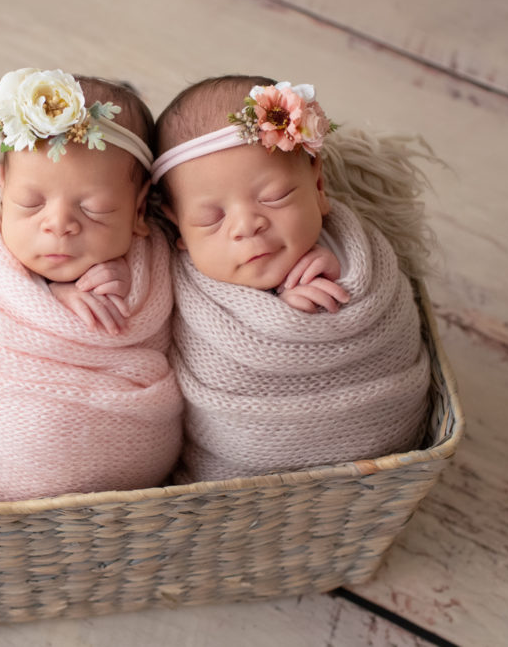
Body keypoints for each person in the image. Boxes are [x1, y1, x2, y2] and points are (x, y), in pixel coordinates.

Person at [151, 75, 431, 483]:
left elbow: (389, 328)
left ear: (317, 185)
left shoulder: (354, 255)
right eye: (211, 219)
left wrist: (337, 291)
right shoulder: (175, 284)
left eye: (274, 197)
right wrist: (280, 316)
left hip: (375, 458)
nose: (247, 226)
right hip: (239, 476)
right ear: (177, 228)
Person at [0, 68, 182, 503]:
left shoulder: (155, 261)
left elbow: (176, 336)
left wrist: (125, 282)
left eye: (95, 209)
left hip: (131, 475)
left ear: (140, 212)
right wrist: (50, 295)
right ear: (3, 189)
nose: (59, 224)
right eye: (31, 203)